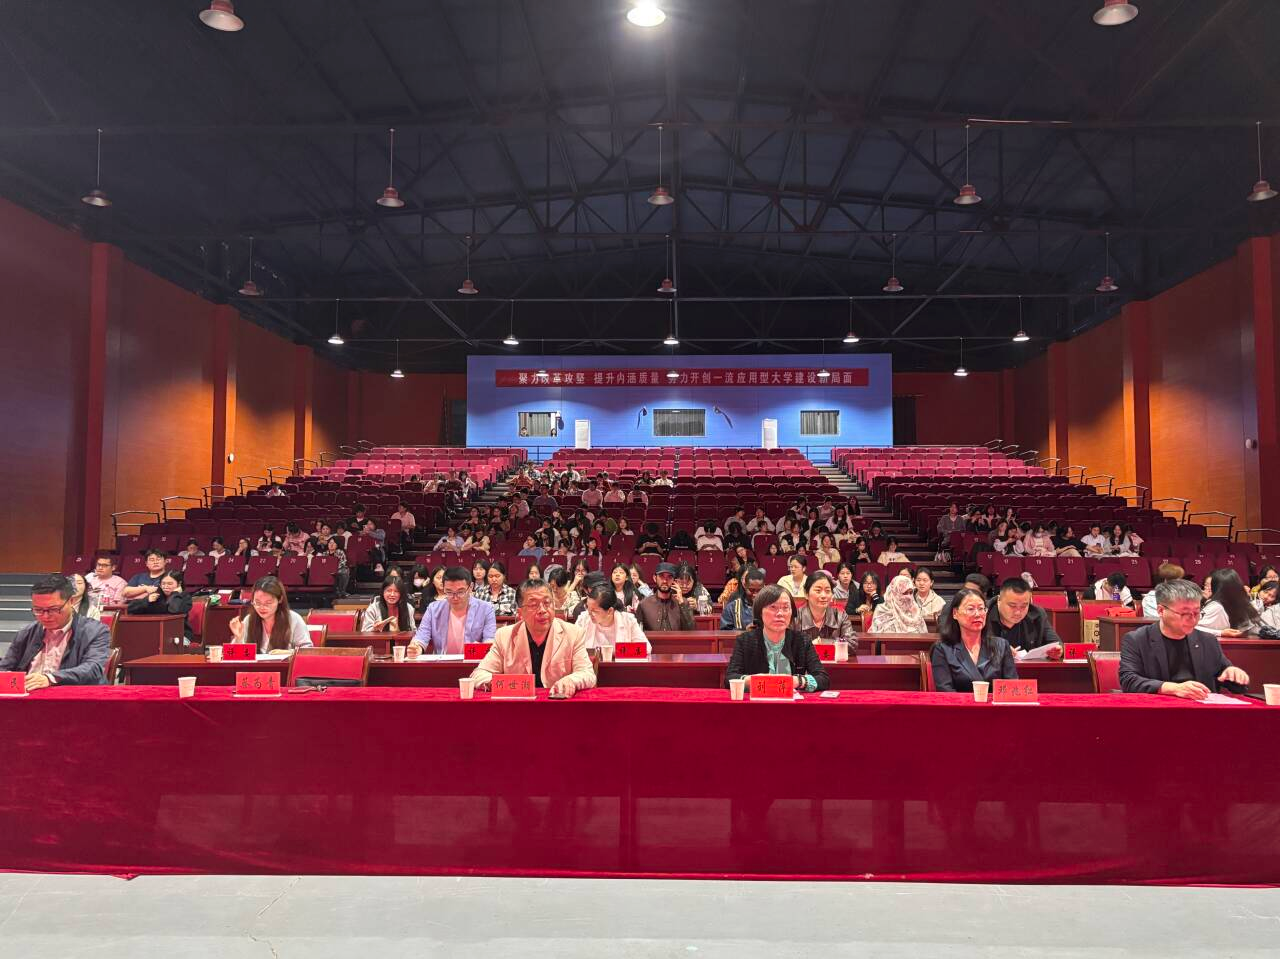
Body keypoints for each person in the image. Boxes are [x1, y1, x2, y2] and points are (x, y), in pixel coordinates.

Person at [1120, 578, 1249, 698]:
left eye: (1197, 613)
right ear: (1161, 611)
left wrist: (1235, 675)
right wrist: (1172, 688)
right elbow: (1129, 680)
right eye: (1185, 613)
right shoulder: (1137, 640)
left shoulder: (1208, 641)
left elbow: (1228, 678)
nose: (1193, 619)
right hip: (1159, 710)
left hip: (1202, 711)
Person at [469, 578, 596, 697]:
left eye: (547, 603)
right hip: (519, 706)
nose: (542, 610)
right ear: (520, 613)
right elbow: (478, 674)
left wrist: (571, 680)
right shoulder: (504, 636)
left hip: (557, 704)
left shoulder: (573, 633)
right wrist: (498, 683)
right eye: (534, 605)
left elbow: (588, 674)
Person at [1, 574, 111, 687]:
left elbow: (93, 668)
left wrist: (50, 679)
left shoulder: (95, 631)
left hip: (71, 694)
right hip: (29, 693)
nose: (45, 616)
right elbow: (5, 667)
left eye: (53, 609)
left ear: (71, 601)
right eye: (38, 610)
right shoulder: (26, 632)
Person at [725, 585, 829, 692]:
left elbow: (823, 678)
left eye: (785, 608)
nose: (780, 614)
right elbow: (729, 678)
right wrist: (751, 680)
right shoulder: (745, 640)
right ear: (760, 612)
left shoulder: (802, 640)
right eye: (773, 607)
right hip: (757, 700)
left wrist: (798, 681)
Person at [930, 590, 1019, 693]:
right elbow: (945, 691)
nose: (977, 614)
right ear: (955, 613)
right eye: (971, 609)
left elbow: (1012, 688)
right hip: (958, 703)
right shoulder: (943, 649)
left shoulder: (1001, 646)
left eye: (981, 609)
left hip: (994, 703)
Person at [407, 566, 498, 656]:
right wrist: (417, 647)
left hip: (474, 663)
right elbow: (421, 636)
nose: (455, 597)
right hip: (443, 662)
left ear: (471, 587)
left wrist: (480, 648)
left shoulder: (486, 609)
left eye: (460, 592)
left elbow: (490, 642)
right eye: (449, 592)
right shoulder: (433, 609)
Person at [229, 576, 313, 652]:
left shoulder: (294, 619)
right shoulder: (249, 620)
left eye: (268, 603)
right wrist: (238, 638)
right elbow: (236, 655)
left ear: (280, 599)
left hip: (285, 664)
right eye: (257, 603)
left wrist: (290, 653)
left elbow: (307, 651)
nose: (262, 607)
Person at [987, 578, 1062, 658]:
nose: (1018, 612)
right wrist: (996, 649)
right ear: (999, 600)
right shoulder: (983, 613)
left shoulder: (1037, 614)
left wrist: (1058, 651)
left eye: (1023, 606)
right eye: (1012, 606)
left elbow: (1056, 644)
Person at [574, 584, 649, 652]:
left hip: (620, 663)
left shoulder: (628, 620)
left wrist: (614, 652)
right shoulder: (583, 619)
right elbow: (573, 647)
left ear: (610, 611)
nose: (589, 613)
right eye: (588, 608)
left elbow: (646, 648)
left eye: (595, 611)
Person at [126, 569, 194, 642]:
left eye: (170, 584)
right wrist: (146, 600)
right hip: (156, 634)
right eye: (163, 584)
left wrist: (175, 593)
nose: (165, 586)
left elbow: (175, 610)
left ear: (179, 584)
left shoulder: (185, 597)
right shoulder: (156, 596)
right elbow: (130, 609)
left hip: (180, 635)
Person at [795, 570, 859, 647]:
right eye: (818, 591)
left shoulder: (840, 616)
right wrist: (811, 645)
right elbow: (787, 644)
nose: (823, 595)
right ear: (806, 593)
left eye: (827, 591)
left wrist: (822, 642)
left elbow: (852, 643)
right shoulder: (795, 617)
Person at [1198, 568, 1261, 637]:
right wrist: (1221, 633)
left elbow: (1192, 628)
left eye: (1210, 585)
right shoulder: (1245, 604)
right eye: (1206, 585)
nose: (1208, 588)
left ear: (1216, 587)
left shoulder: (1217, 606)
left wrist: (1221, 633)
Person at [636, 562, 695, 631]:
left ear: (674, 580)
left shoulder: (683, 602)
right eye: (661, 576)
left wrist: (682, 604)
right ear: (655, 578)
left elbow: (691, 630)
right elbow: (637, 633)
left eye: (669, 577)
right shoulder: (644, 604)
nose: (665, 581)